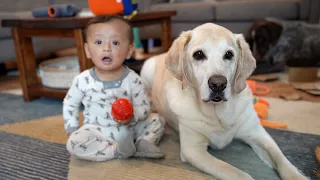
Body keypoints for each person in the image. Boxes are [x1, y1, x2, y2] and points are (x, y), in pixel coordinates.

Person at [63, 15, 165, 161]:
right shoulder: (83, 80)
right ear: (87, 50)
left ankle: (144, 142)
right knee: (73, 143)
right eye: (98, 42)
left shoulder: (133, 79)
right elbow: (70, 104)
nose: (106, 48)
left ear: (129, 50)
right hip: (96, 131)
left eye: (115, 42)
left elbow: (144, 106)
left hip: (130, 128)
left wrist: (132, 116)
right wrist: (71, 128)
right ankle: (115, 150)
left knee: (158, 120)